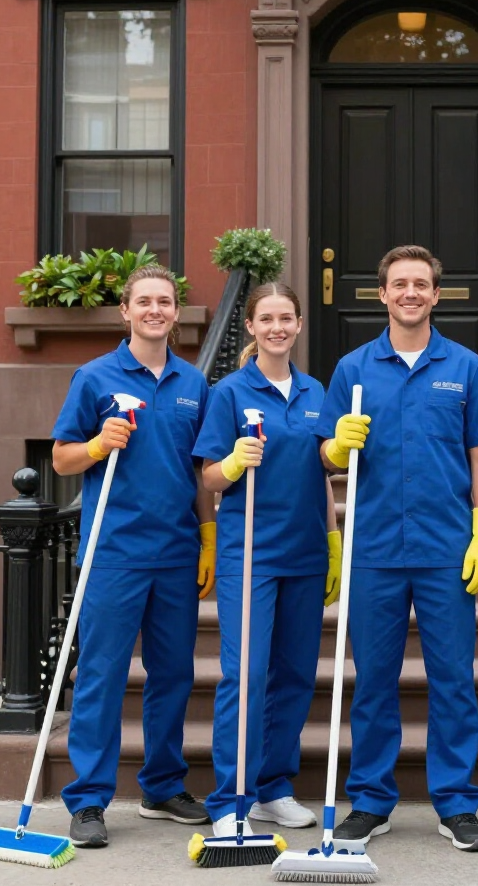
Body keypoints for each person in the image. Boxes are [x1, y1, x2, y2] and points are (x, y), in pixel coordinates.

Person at [315, 245, 478, 853]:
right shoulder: (353, 368)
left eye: (421, 284)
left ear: (434, 294)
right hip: (374, 547)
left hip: (448, 546)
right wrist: (335, 448)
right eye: (399, 283)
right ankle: (371, 801)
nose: (410, 293)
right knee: (373, 680)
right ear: (382, 294)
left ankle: (455, 803)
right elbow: (325, 455)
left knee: (453, 678)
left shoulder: (467, 366)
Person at [51, 264, 215, 848]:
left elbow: (200, 470)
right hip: (114, 551)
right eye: (143, 301)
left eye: (164, 302)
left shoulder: (195, 384)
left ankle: (163, 786)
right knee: (102, 675)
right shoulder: (94, 377)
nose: (154, 310)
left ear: (175, 312)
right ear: (125, 311)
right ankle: (89, 800)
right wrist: (97, 444)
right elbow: (62, 459)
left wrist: (208, 536)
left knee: (173, 674)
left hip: (175, 551)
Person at [193, 283, 340, 838]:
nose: (277, 327)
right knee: (246, 675)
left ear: (299, 325)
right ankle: (232, 797)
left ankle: (275, 788)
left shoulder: (315, 391)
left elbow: (322, 473)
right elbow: (207, 476)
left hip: (304, 551)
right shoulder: (230, 392)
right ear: (250, 328)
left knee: (296, 675)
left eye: (286, 318)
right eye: (267, 319)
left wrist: (332, 541)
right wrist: (231, 464)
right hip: (249, 553)